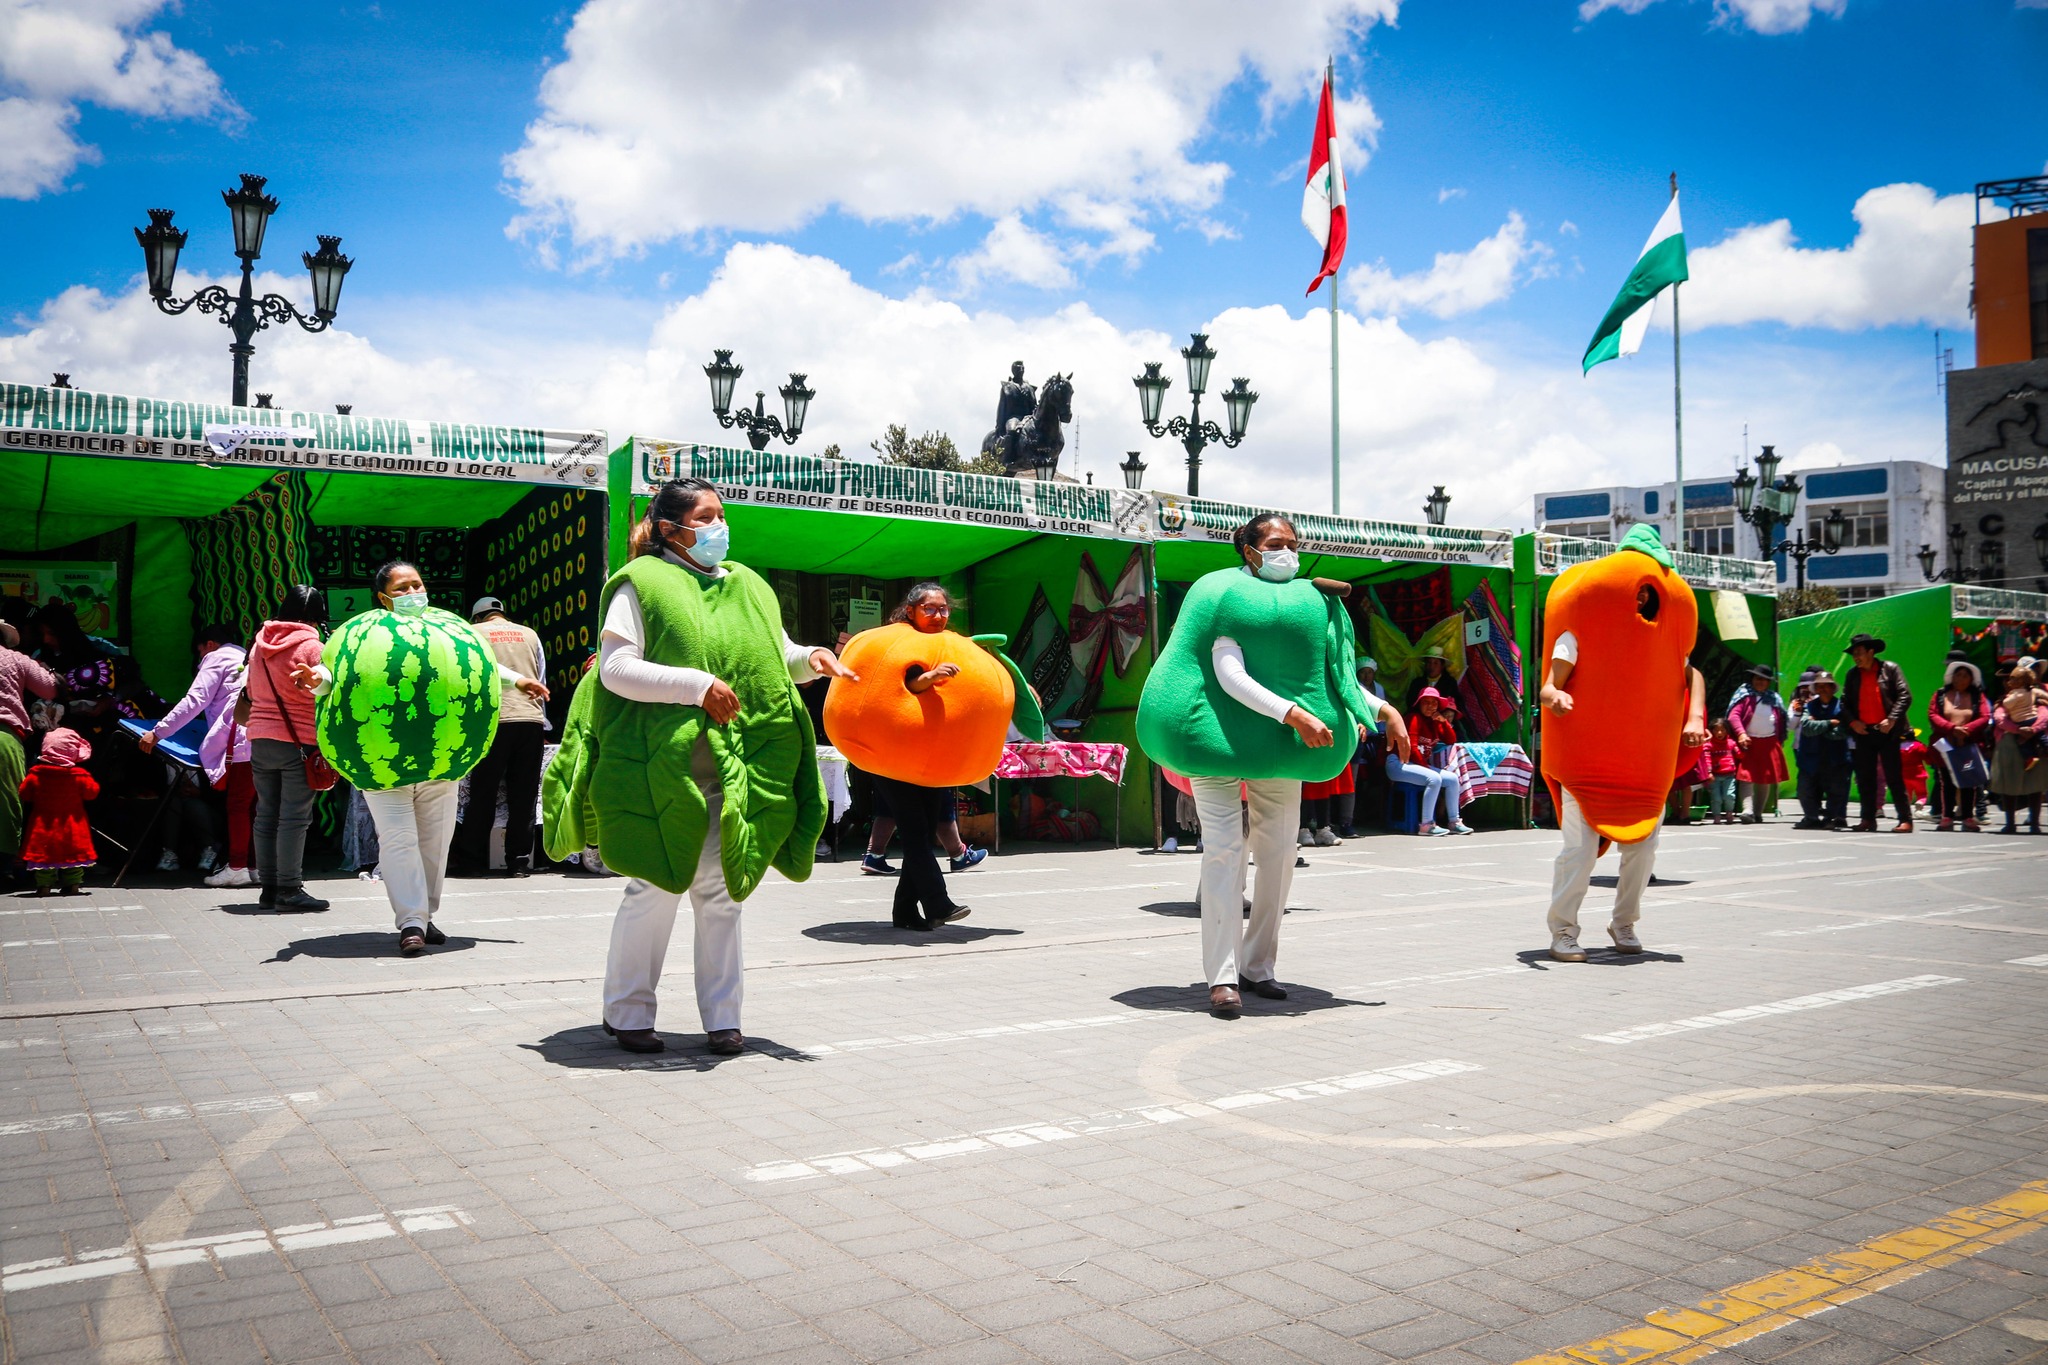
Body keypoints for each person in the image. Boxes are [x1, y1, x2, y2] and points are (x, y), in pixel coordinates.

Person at [544, 478, 846, 1055]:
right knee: (654, 888)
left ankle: (723, 1019)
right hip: (660, 768)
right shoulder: (642, 584)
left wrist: (812, 658)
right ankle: (628, 1012)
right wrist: (697, 686)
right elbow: (616, 669)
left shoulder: (749, 586)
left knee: (723, 894)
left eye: (720, 515)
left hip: (736, 769)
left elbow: (776, 654)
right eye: (706, 518)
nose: (718, 527)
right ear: (669, 530)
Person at [1134, 513, 1376, 1018]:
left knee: (1280, 856)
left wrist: (1380, 710)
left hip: (1279, 752)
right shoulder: (1223, 595)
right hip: (1218, 741)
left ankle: (1258, 965)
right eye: (1275, 543)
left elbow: (1333, 671)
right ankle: (1222, 978)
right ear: (1248, 549)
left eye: (1293, 543)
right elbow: (1229, 674)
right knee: (1223, 853)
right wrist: (1292, 714)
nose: (1287, 552)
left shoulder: (1308, 600)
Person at [296, 562, 500, 954]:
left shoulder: (451, 628)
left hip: (442, 761)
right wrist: (314, 680)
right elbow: (332, 673)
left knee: (435, 842)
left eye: (417, 584)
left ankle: (424, 915)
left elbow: (482, 665)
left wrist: (518, 679)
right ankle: (410, 922)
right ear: (383, 597)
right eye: (402, 588)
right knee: (398, 840)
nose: (413, 593)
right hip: (380, 763)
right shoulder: (358, 631)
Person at [1539, 524, 1708, 962]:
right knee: (1578, 850)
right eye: (1634, 594)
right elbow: (1549, 682)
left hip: (1641, 762)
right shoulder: (1582, 625)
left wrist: (1693, 716)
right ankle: (1563, 931)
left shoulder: (1662, 636)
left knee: (1645, 846)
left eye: (1645, 596)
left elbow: (1693, 673)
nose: (1639, 602)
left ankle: (1624, 922)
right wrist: (1555, 696)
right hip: (1587, 760)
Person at [139, 623, 253, 886]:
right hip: (263, 738)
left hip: (240, 743)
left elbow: (195, 700)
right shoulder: (244, 657)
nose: (201, 658)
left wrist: (158, 732)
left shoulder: (216, 659)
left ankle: (237, 867)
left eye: (200, 652)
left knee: (238, 806)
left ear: (209, 645)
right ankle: (255, 866)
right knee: (258, 809)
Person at [244, 586, 331, 913]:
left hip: (260, 738)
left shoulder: (258, 645)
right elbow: (321, 692)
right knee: (294, 817)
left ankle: (269, 888)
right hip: (298, 741)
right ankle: (290, 889)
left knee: (266, 813)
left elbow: (251, 691)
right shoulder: (313, 647)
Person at [452, 597, 552, 878]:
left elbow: (466, 679)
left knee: (483, 792)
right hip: (529, 720)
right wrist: (542, 724)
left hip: (493, 722)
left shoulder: (471, 634)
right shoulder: (530, 635)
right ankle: (519, 862)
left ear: (476, 617)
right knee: (525, 796)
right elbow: (540, 675)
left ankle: (472, 861)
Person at [0, 621, 60, 867]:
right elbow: (50, 689)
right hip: (4, 737)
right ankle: (5, 865)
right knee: (6, 800)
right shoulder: (14, 659)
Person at [1842, 632, 1912, 833]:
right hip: (1864, 732)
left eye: (1859, 653)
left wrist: (1892, 719)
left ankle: (1905, 819)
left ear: (1871, 652)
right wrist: (1853, 722)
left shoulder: (1890, 669)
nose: (1856, 657)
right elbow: (1844, 702)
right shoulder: (1852, 674)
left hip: (1887, 731)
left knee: (1893, 776)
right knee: (1865, 778)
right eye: (1853, 653)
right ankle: (1868, 819)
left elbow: (1905, 696)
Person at [19, 727, 97, 895]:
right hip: (73, 827)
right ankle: (73, 885)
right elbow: (92, 793)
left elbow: (25, 794)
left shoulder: (36, 774)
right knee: (73, 857)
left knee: (44, 858)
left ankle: (44, 886)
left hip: (43, 827)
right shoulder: (79, 775)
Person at [1390, 686, 1469, 836]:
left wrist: (1443, 722)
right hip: (1398, 762)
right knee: (1434, 778)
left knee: (1452, 779)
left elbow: (1451, 739)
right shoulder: (1414, 718)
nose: (1430, 706)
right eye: (1426, 702)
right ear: (1419, 704)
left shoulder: (1435, 721)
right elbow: (1412, 749)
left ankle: (1454, 821)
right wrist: (1427, 768)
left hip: (1416, 765)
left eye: (1434, 703)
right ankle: (1426, 825)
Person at [1927, 660, 1989, 832]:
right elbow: (1933, 714)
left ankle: (1968, 817)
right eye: (1957, 675)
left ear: (1971, 679)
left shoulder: (1978, 697)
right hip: (1945, 744)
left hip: (1968, 744)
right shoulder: (1940, 695)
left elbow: (1984, 716)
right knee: (1946, 780)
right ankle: (1947, 816)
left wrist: (1966, 730)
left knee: (1969, 780)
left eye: (1964, 676)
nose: (1960, 678)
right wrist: (1952, 729)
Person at [1990, 657, 2048, 834]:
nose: (2009, 683)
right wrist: (2018, 729)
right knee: (2009, 783)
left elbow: (2044, 715)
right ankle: (2010, 822)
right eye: (2007, 679)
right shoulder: (2004, 700)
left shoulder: (2034, 696)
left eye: (2013, 678)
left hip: (2033, 738)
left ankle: (2035, 823)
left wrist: (2033, 729)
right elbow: (2000, 718)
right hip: (2009, 743)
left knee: (2035, 783)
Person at [1727, 664, 1789, 825]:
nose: (1760, 682)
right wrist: (1741, 733)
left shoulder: (1774, 698)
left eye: (1764, 679)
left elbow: (1782, 721)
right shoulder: (1744, 696)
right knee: (1746, 776)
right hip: (1749, 742)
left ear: (1769, 682)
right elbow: (1734, 716)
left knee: (1765, 778)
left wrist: (1779, 741)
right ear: (1752, 679)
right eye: (1757, 678)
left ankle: (1758, 812)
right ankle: (1747, 811)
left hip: (1769, 743)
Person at [1796, 672, 1852, 830]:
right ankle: (1811, 817)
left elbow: (1842, 731)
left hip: (1835, 757)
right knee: (1805, 788)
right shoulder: (1809, 706)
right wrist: (1829, 723)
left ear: (1833, 688)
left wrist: (1819, 726)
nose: (1823, 689)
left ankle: (1830, 818)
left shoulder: (1841, 707)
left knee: (1836, 790)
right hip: (1810, 757)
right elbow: (1806, 728)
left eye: (1827, 685)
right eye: (1820, 686)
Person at [1705, 718, 1740, 823]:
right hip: (1715, 776)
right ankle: (1717, 816)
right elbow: (1707, 760)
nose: (1719, 733)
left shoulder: (1731, 743)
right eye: (1716, 730)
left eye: (1723, 730)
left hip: (1729, 775)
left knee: (1729, 795)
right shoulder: (1709, 745)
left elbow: (1739, 755)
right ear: (1712, 731)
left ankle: (1729, 813)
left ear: (1727, 731)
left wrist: (1744, 749)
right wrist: (1709, 772)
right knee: (1716, 798)